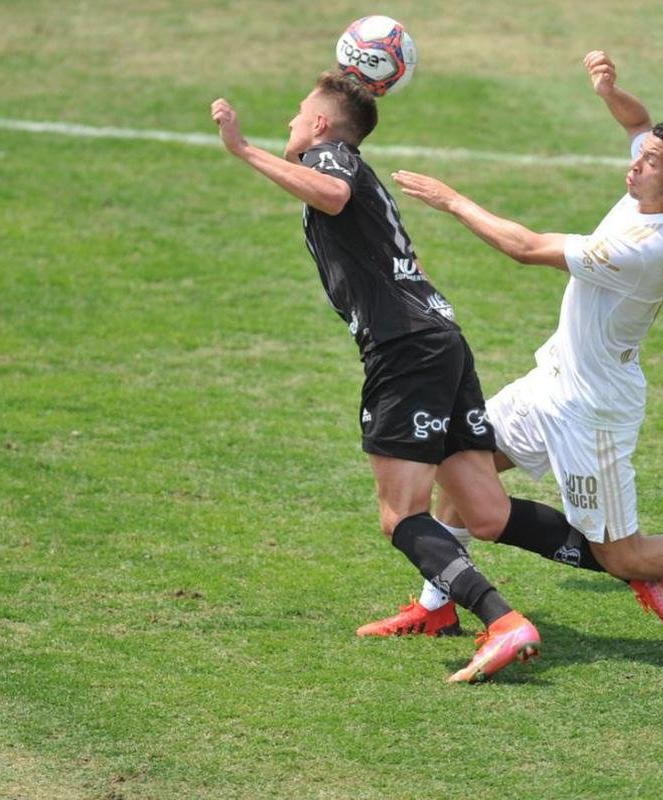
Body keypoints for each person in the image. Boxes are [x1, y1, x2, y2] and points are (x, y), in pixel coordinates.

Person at [361, 51, 663, 652]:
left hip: (592, 409)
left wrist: (453, 201)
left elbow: (524, 248)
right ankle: (435, 608)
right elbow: (639, 124)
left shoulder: (647, 246)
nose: (634, 167)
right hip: (550, 380)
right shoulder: (658, 189)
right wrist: (610, 93)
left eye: (650, 163)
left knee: (625, 554)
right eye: (641, 157)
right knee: (458, 473)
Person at [211, 72, 589, 683]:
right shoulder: (348, 163)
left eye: (297, 114)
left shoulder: (332, 158)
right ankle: (636, 565)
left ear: (321, 126)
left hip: (404, 348)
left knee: (401, 516)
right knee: (486, 511)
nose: (289, 123)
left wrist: (243, 149)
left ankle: (503, 620)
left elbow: (329, 195)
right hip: (440, 337)